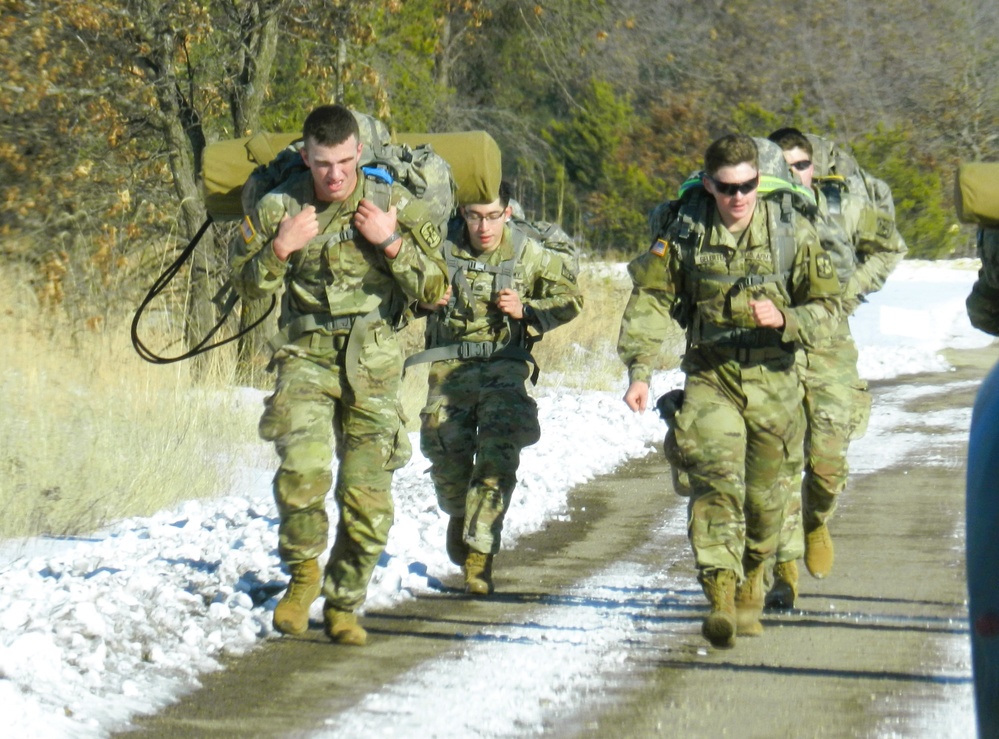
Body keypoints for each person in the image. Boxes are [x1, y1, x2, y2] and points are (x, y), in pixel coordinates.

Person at [228, 104, 450, 646]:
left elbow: (436, 290)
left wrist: (392, 242)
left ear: (359, 154)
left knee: (367, 500)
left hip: (373, 365)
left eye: (345, 162)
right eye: (323, 163)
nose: (335, 175)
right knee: (301, 474)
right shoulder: (280, 205)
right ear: (306, 157)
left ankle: (345, 601)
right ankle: (303, 578)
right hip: (304, 356)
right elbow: (247, 287)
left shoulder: (388, 202)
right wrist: (281, 248)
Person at [618, 133, 841, 648]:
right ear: (709, 183)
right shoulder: (686, 230)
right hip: (712, 375)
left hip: (775, 380)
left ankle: (751, 584)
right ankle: (718, 593)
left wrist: (786, 317)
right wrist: (640, 370)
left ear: (758, 181)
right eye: (726, 187)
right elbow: (651, 297)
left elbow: (829, 308)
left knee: (766, 503)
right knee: (716, 481)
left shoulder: (791, 231)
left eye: (746, 186)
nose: (737, 197)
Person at [411, 182, 583, 595]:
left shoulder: (526, 252)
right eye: (474, 216)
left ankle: (479, 557)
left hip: (504, 365)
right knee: (445, 455)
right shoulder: (441, 245)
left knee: (496, 457)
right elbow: (402, 287)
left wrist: (528, 311)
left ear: (507, 213)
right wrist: (425, 299)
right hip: (449, 366)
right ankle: (458, 512)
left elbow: (571, 298)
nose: (483, 226)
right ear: (462, 215)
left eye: (492, 216)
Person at [765, 128, 906, 608]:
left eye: (802, 166)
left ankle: (816, 520)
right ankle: (784, 573)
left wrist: (850, 292)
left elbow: (890, 247)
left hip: (828, 342)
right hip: (772, 346)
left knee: (827, 460)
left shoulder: (842, 205)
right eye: (784, 168)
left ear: (815, 167)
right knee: (778, 462)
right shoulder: (752, 213)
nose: (794, 175)